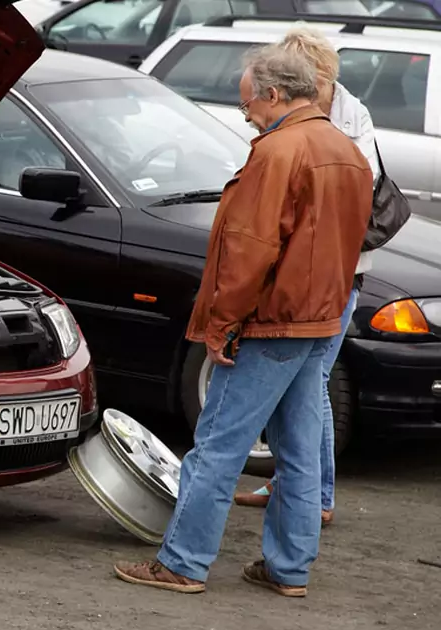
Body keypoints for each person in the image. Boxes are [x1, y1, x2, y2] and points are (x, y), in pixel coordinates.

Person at [113, 44, 373, 597]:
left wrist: (222, 323)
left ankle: (182, 562)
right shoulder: (346, 151)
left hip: (272, 322)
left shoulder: (278, 152)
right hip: (320, 319)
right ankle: (288, 570)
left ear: (275, 95)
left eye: (247, 104)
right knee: (300, 450)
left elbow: (251, 250)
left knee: (217, 444)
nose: (247, 114)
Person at [234, 27, 380, 526]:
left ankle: (315, 495)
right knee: (303, 388)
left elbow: (348, 191)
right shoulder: (305, 119)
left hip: (332, 274)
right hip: (320, 271)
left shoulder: (345, 118)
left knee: (310, 385)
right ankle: (300, 492)